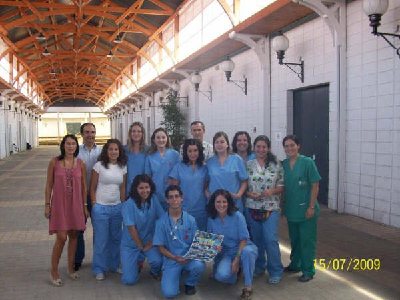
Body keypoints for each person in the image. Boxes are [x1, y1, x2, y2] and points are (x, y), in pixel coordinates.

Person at [44, 134, 88, 286]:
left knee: (74, 235)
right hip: (59, 205)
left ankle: (70, 268)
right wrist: (47, 205)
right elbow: (49, 185)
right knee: (61, 237)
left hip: (76, 204)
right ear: (63, 146)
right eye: (68, 144)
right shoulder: (54, 162)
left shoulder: (81, 163)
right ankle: (54, 271)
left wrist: (84, 207)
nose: (70, 146)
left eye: (73, 144)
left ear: (77, 147)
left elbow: (83, 187)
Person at [153, 185, 206, 298]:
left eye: (177, 196)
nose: (174, 199)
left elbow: (196, 242)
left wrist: (190, 256)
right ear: (167, 200)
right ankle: (175, 275)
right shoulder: (161, 222)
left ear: (182, 198)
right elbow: (160, 247)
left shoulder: (190, 220)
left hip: (188, 258)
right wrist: (175, 257)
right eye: (171, 197)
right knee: (169, 294)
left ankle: (190, 283)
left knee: (199, 265)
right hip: (172, 260)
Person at [281, 135, 321, 282]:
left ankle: (308, 270)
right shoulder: (283, 165)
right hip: (291, 210)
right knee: (295, 240)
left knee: (307, 241)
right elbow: (283, 188)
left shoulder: (307, 162)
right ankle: (295, 264)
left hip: (307, 210)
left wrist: (311, 206)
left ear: (298, 146)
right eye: (286, 146)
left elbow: (315, 185)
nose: (289, 148)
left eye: (292, 145)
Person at [245, 135, 284, 284]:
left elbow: (281, 186)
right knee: (257, 240)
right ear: (254, 148)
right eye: (258, 146)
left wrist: (272, 191)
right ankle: (259, 267)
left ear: (268, 148)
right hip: (252, 207)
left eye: (264, 147)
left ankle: (275, 270)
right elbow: (243, 186)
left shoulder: (277, 164)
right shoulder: (248, 165)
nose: (261, 149)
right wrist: (249, 193)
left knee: (271, 239)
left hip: (271, 207)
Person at [207, 189, 257, 300]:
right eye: (218, 202)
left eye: (224, 202)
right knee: (221, 276)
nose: (221, 205)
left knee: (248, 253)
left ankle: (248, 286)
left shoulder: (238, 216)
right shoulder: (211, 219)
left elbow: (244, 239)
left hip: (243, 247)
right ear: (213, 203)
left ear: (229, 203)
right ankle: (236, 272)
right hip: (226, 253)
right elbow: (212, 241)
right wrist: (215, 248)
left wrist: (237, 259)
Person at [90, 139, 127, 281]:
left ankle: (114, 264)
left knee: (116, 239)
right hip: (101, 208)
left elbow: (122, 188)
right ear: (106, 151)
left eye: (116, 149)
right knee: (101, 240)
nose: (113, 152)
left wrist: (123, 205)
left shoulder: (122, 167)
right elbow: (92, 188)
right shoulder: (98, 166)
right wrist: (94, 204)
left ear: (119, 152)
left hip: (117, 208)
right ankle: (99, 268)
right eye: (110, 149)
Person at [120, 174, 164, 285]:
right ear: (135, 188)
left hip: (149, 241)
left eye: (147, 187)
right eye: (141, 188)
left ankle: (154, 272)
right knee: (129, 280)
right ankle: (138, 260)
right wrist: (141, 247)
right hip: (131, 244)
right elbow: (131, 229)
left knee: (157, 262)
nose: (145, 191)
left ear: (151, 187)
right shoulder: (128, 204)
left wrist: (153, 241)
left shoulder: (153, 199)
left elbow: (163, 220)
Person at [75, 122, 102, 271]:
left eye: (92, 132)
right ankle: (78, 259)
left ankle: (99, 259)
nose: (90, 135)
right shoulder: (76, 152)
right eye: (87, 132)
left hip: (98, 196)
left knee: (99, 230)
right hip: (80, 196)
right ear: (82, 134)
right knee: (79, 228)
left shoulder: (102, 151)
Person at [169, 139, 208, 231]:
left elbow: (205, 188)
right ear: (185, 152)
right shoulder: (178, 167)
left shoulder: (204, 168)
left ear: (199, 151)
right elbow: (174, 191)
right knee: (185, 237)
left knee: (202, 241)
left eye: (195, 150)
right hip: (184, 209)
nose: (192, 154)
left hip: (202, 210)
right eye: (189, 151)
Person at [206, 131, 248, 212]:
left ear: (227, 144)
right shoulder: (209, 162)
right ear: (214, 145)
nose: (219, 144)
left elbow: (244, 181)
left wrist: (239, 194)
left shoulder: (236, 159)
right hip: (215, 203)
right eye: (217, 142)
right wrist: (206, 192)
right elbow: (206, 181)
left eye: (222, 142)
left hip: (233, 202)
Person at [145, 128, 180, 210]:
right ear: (154, 140)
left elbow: (179, 174)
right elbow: (147, 177)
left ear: (167, 139)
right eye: (158, 138)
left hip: (172, 195)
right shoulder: (150, 157)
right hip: (155, 194)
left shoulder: (175, 155)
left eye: (163, 137)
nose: (161, 140)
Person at [125, 122, 147, 196]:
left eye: (139, 131)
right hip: (128, 190)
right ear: (130, 134)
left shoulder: (148, 150)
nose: (136, 133)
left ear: (142, 134)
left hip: (143, 190)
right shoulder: (124, 150)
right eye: (133, 131)